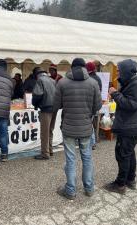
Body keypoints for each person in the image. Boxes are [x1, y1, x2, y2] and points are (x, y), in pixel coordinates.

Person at [53, 58, 102, 200]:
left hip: (68, 126)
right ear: (84, 68)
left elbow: (57, 105)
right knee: (87, 158)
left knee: (70, 159)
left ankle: (70, 190)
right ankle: (89, 188)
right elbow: (97, 106)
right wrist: (88, 113)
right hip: (86, 127)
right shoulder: (93, 83)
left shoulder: (62, 82)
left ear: (72, 67)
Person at [104, 59, 137, 194]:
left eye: (119, 70)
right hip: (132, 125)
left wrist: (115, 93)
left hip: (130, 126)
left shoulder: (136, 84)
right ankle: (130, 179)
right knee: (129, 153)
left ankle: (120, 184)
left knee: (122, 154)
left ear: (126, 70)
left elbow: (131, 104)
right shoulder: (134, 82)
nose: (117, 72)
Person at [32, 67, 56, 160]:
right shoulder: (53, 80)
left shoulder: (40, 80)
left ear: (37, 75)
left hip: (46, 108)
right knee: (50, 130)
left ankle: (45, 153)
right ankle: (50, 150)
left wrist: (35, 104)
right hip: (54, 108)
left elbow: (37, 94)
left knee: (45, 132)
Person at [86, 61, 102, 151]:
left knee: (89, 124)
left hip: (90, 105)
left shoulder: (90, 79)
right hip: (95, 104)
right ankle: (92, 142)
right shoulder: (98, 78)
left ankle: (92, 143)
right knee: (91, 124)